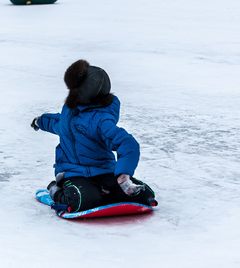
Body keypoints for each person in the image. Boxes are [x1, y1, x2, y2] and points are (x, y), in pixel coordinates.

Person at [31, 59, 156, 212]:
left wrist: (124, 175)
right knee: (84, 200)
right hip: (72, 172)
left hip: (104, 171)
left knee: (145, 196)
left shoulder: (100, 120)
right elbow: (58, 123)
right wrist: (40, 121)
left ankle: (102, 193)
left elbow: (127, 143)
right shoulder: (69, 112)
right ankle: (55, 190)